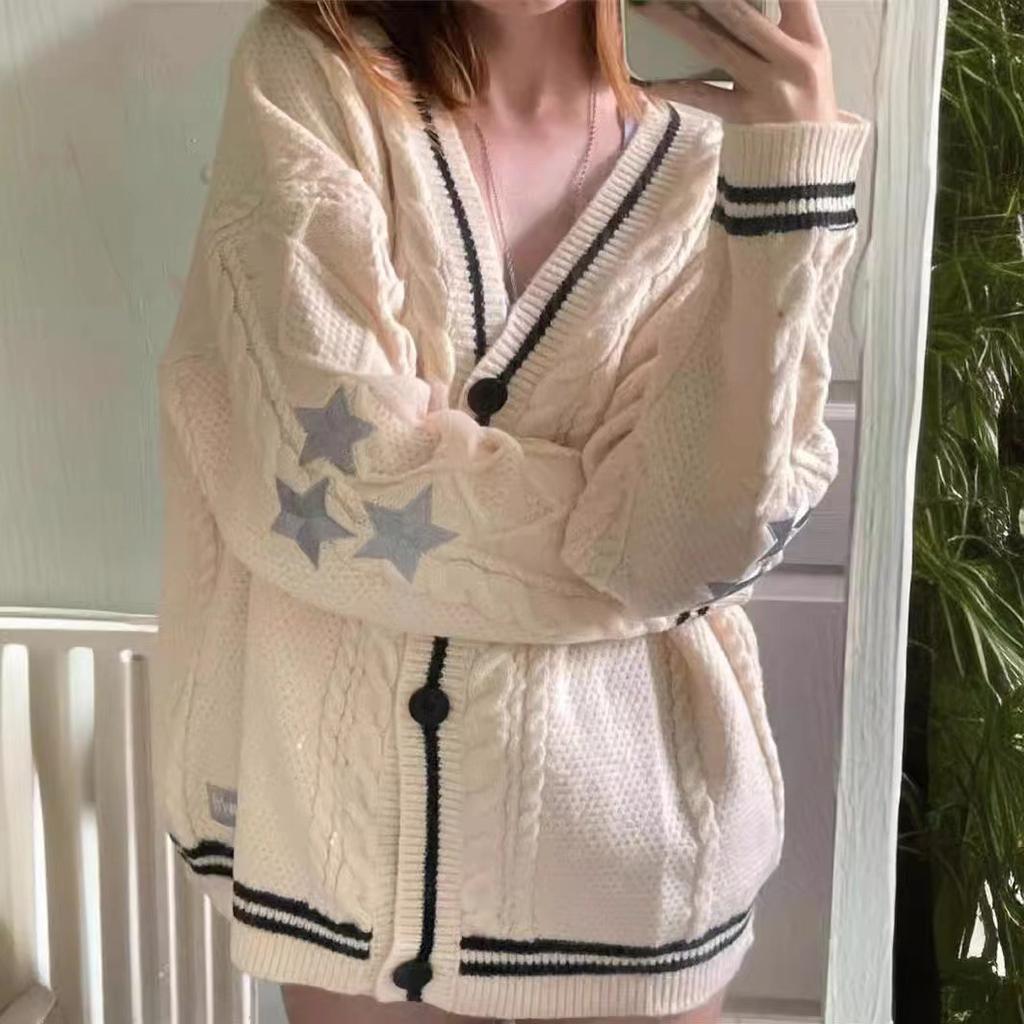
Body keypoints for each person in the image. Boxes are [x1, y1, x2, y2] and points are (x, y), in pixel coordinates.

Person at [151, 1, 869, 1023]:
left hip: (638, 872)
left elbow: (710, 536)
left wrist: (789, 186)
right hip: (351, 860)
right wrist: (627, 546)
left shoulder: (740, 154)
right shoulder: (311, 75)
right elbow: (334, 492)